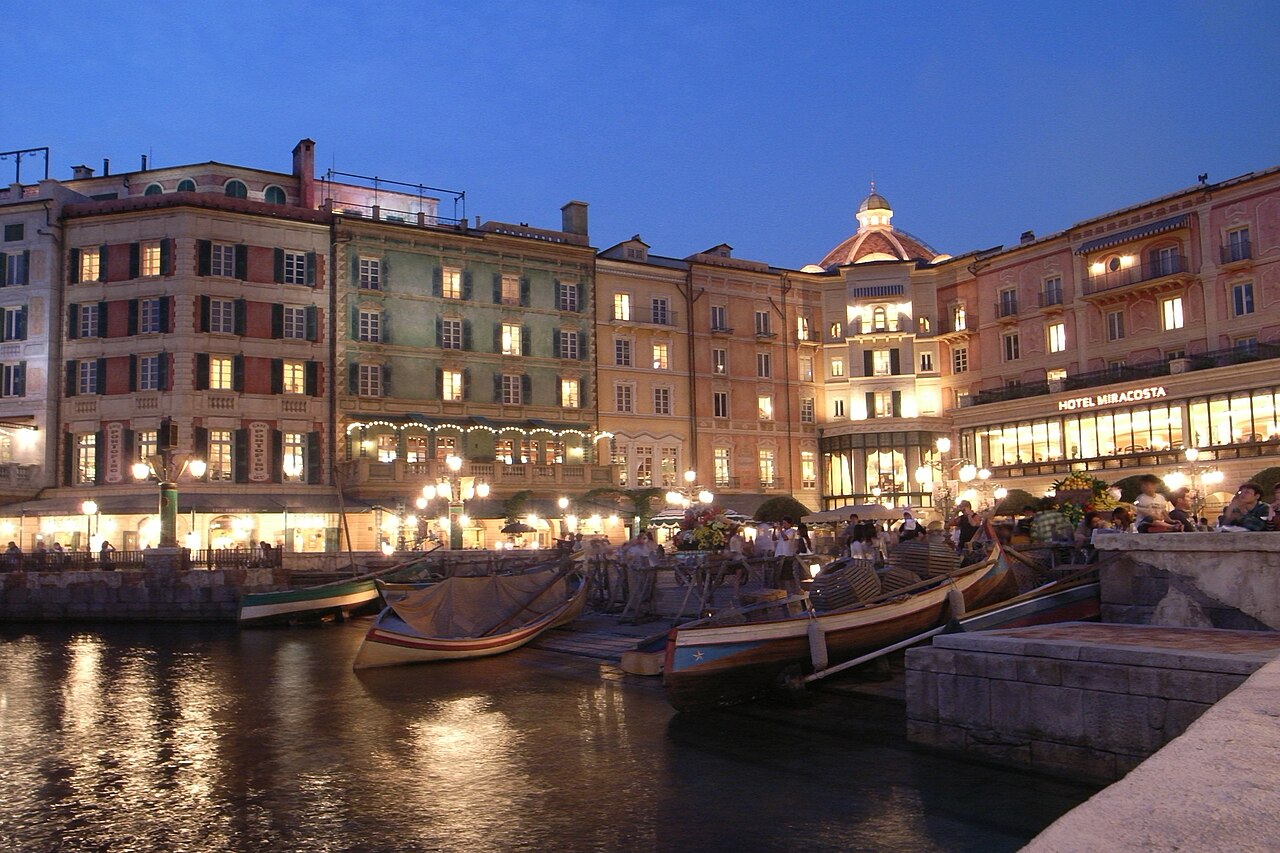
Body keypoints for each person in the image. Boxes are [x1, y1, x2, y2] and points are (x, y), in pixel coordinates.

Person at [773, 516, 801, 591]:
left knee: (788, 574)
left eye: (785, 523)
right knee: (780, 574)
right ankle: (783, 590)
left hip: (787, 555)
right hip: (779, 554)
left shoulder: (791, 531)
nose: (783, 525)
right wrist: (775, 529)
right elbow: (774, 538)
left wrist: (780, 530)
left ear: (789, 524)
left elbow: (786, 538)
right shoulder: (783, 532)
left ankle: (795, 589)